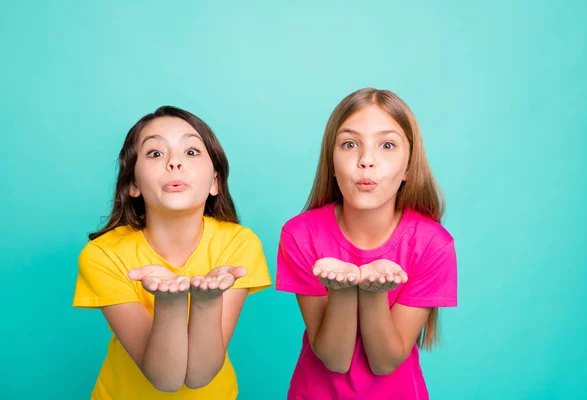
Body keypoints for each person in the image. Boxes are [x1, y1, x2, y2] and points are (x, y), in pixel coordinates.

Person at [73, 106, 271, 399]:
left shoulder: (239, 244)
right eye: (155, 153)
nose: (175, 163)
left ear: (215, 181)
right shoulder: (103, 254)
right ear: (133, 184)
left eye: (191, 152)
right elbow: (164, 378)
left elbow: (199, 376)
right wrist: (170, 302)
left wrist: (206, 302)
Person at [276, 88, 458, 399]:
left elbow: (385, 362)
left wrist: (375, 292)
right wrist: (342, 289)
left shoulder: (433, 244)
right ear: (331, 163)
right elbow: (334, 357)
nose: (366, 161)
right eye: (349, 144)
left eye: (387, 145)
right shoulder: (300, 235)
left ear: (409, 167)